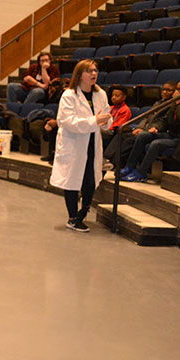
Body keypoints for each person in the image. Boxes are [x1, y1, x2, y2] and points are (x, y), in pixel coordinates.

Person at [49, 59, 112, 232]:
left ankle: (83, 212)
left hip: (92, 143)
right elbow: (66, 121)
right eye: (89, 71)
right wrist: (94, 121)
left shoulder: (101, 94)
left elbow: (106, 115)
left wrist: (106, 121)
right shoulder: (69, 96)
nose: (94, 74)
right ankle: (72, 217)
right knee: (72, 180)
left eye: (95, 70)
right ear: (80, 75)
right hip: (74, 144)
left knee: (90, 180)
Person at [121, 78, 180, 182]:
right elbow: (165, 119)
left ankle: (141, 173)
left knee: (156, 144)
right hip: (171, 135)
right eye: (177, 89)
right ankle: (130, 166)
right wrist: (156, 127)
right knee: (143, 135)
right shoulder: (177, 102)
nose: (177, 92)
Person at [103, 81, 176, 169]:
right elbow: (146, 117)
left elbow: (162, 122)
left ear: (175, 92)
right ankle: (106, 158)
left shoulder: (172, 105)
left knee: (129, 140)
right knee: (120, 135)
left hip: (155, 132)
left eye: (169, 90)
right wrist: (139, 127)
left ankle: (117, 165)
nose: (165, 92)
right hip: (145, 129)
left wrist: (144, 130)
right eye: (164, 89)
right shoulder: (158, 103)